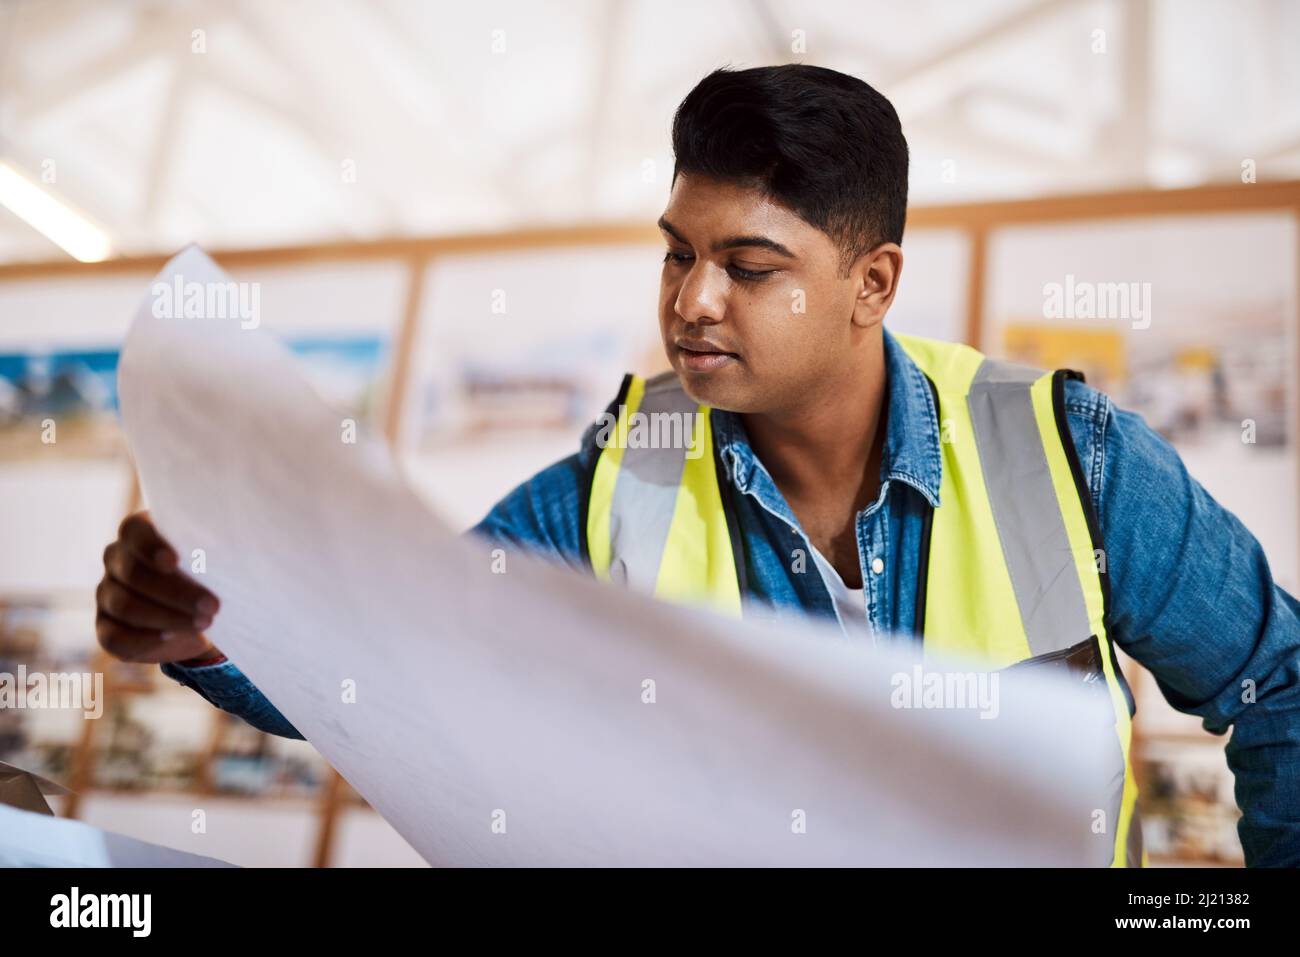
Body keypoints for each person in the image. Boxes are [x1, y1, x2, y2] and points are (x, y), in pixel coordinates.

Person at [94, 65, 1300, 867]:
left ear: (870, 284)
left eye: (749, 265)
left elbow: (1277, 689)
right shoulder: (621, 474)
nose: (692, 301)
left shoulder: (1070, 456)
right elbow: (400, 661)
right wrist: (210, 632)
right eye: (676, 254)